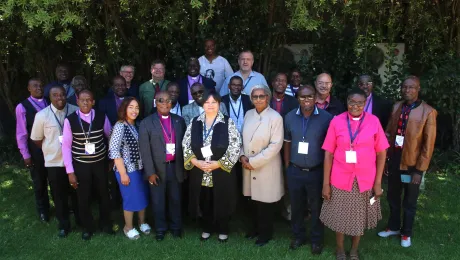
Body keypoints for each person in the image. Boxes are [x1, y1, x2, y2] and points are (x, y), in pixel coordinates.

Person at [320, 88, 389, 260]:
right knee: (340, 216)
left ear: (365, 104)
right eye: (352, 102)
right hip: (340, 178)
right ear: (347, 102)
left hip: (365, 179)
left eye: (359, 103)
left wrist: (378, 182)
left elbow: (381, 153)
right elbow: (328, 153)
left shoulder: (374, 122)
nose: (355, 106)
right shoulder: (337, 121)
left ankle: (354, 250)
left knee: (359, 217)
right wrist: (325, 184)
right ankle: (340, 249)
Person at [378, 76, 437, 248]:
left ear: (418, 89)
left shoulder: (428, 112)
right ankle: (394, 227)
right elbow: (389, 131)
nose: (407, 90)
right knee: (393, 197)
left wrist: (419, 171)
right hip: (395, 160)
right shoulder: (397, 107)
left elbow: (428, 145)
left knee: (410, 201)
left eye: (411, 87)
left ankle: (406, 233)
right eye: (404, 87)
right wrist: (386, 158)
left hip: (412, 164)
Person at [182, 91, 241, 243]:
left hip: (221, 171)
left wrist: (219, 164)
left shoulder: (228, 122)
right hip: (200, 171)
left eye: (213, 102)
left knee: (221, 199)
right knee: (204, 200)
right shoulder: (195, 122)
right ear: (203, 104)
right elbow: (185, 144)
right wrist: (195, 162)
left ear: (219, 104)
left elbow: (235, 146)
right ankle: (207, 227)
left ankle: (223, 229)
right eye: (207, 102)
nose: (210, 105)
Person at [283, 85, 333, 254]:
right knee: (296, 207)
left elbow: (330, 148)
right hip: (295, 170)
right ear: (298, 98)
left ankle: (316, 240)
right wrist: (287, 167)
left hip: (316, 171)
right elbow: (287, 143)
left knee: (317, 207)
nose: (307, 100)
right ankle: (298, 236)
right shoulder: (289, 117)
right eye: (303, 97)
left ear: (315, 98)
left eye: (310, 96)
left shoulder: (326, 118)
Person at [62, 89, 114, 240]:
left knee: (104, 194)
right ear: (77, 101)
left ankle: (106, 224)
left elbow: (110, 136)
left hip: (100, 163)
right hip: (81, 165)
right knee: (83, 197)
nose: (85, 102)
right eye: (82, 100)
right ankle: (87, 227)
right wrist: (70, 171)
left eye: (88, 99)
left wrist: (111, 158)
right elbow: (65, 146)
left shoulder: (101, 116)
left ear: (93, 102)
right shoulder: (70, 120)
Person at [30, 85, 79, 238]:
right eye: (55, 95)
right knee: (59, 196)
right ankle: (64, 225)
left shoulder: (75, 110)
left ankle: (81, 221)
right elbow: (37, 140)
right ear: (49, 97)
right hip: (54, 163)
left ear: (66, 95)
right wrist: (52, 149)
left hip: (76, 162)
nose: (60, 98)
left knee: (78, 194)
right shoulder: (42, 116)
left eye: (62, 95)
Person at [139, 91, 187, 241]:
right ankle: (160, 229)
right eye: (161, 100)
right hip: (156, 169)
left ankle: (176, 227)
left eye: (168, 100)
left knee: (176, 199)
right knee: (158, 200)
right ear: (155, 102)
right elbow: (145, 151)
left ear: (171, 103)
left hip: (175, 167)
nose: (165, 103)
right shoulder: (146, 122)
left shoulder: (179, 121)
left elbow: (185, 146)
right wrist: (150, 172)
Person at [240, 84, 284, 247]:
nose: (258, 99)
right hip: (247, 164)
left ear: (267, 97)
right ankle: (254, 230)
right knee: (252, 200)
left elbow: (275, 145)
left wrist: (253, 162)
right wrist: (242, 155)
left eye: (261, 96)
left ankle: (265, 234)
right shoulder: (248, 114)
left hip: (266, 165)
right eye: (255, 96)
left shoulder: (275, 117)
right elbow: (241, 137)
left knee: (265, 203)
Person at [108, 97, 151, 240]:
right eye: (131, 107)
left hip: (139, 168)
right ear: (124, 108)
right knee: (130, 199)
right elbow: (114, 151)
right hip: (126, 170)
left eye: (137, 107)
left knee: (142, 196)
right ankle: (128, 227)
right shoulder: (120, 126)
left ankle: (142, 222)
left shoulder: (136, 125)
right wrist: (123, 173)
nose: (134, 110)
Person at [15, 78, 50, 222]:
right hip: (35, 150)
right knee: (39, 181)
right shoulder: (22, 107)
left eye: (41, 85)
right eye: (35, 86)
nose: (39, 88)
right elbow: (21, 132)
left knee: (56, 178)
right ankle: (43, 210)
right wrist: (25, 154)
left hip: (53, 148)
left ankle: (62, 205)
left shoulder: (50, 101)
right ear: (29, 88)